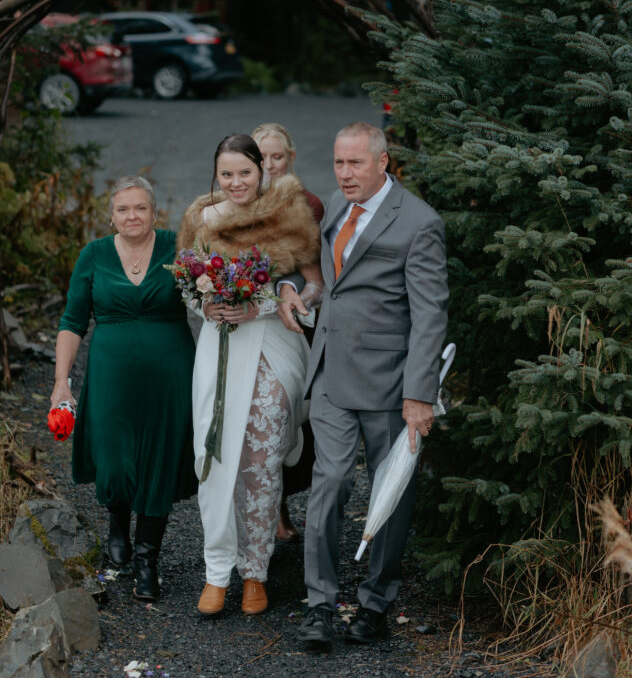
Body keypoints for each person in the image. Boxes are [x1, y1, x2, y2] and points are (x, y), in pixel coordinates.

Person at [279, 122, 448, 649]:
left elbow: (430, 315)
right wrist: (293, 290)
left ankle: (376, 603)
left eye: (355, 164)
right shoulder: (335, 203)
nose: (345, 174)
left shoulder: (419, 223)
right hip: (329, 373)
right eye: (338, 163)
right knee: (328, 486)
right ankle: (319, 606)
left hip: (389, 385)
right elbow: (329, 279)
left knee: (390, 492)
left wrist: (419, 395)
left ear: (383, 163)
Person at [177, 134, 321, 617]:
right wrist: (206, 302)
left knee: (259, 462)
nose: (236, 182)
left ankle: (255, 571)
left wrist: (265, 301)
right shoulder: (202, 219)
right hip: (219, 350)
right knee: (214, 458)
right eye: (227, 173)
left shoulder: (288, 211)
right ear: (216, 176)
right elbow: (186, 287)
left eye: (245, 171)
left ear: (261, 170)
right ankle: (216, 571)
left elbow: (313, 282)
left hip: (270, 351)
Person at [51, 176, 196, 602]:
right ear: (111, 215)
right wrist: (62, 380)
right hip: (111, 373)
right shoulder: (93, 255)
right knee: (114, 460)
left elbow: (206, 301)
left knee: (159, 461)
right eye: (123, 209)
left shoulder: (178, 248)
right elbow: (73, 321)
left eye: (140, 208)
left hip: (170, 374)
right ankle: (118, 522)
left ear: (154, 212)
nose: (132, 216)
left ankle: (148, 560)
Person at [251, 122, 323, 542]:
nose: (271, 165)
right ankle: (269, 510)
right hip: (250, 322)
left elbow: (316, 272)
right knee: (256, 415)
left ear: (291, 158)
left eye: (279, 157)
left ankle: (286, 498)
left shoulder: (308, 204)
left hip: (297, 323)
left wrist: (295, 294)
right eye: (263, 158)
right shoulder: (237, 203)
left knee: (294, 415)